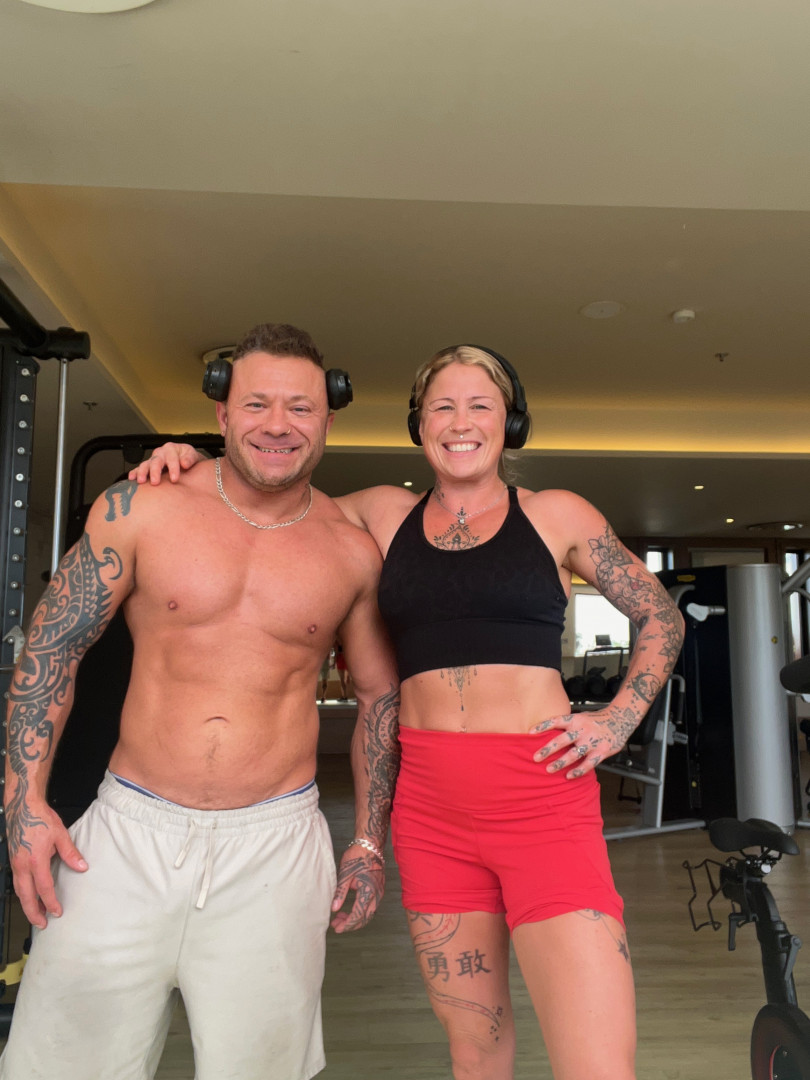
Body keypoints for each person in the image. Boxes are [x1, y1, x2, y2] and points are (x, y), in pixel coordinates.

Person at [134, 343, 684, 1080]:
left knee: (597, 1064)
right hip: (431, 814)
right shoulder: (378, 514)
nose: (460, 422)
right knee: (475, 1054)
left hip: (542, 803)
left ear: (510, 422)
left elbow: (660, 616)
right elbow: (265, 500)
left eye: (480, 405)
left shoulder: (557, 515)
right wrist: (193, 466)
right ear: (419, 425)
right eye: (442, 407)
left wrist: (617, 720)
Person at [2, 323, 400, 1080]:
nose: (277, 424)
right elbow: (52, 649)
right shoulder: (142, 507)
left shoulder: (352, 548)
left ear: (327, 420)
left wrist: (369, 842)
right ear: (221, 412)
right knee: (60, 1065)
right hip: (123, 838)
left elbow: (380, 698)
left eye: (300, 408)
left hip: (275, 846)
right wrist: (23, 803)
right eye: (257, 404)